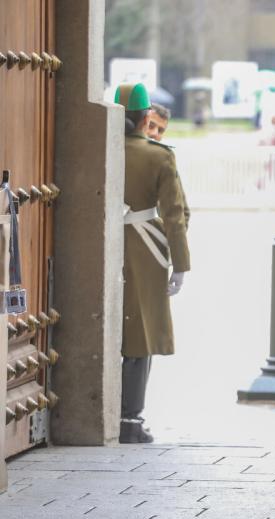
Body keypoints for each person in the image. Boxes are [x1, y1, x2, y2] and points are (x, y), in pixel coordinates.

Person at [115, 83, 191, 444]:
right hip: (144, 250)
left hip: (102, 243)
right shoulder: (159, 156)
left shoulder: (100, 148)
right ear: (146, 117)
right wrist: (181, 264)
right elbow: (174, 215)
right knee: (139, 337)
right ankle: (130, 419)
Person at [146, 103, 191, 229]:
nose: (155, 133)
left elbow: (183, 211)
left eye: (160, 130)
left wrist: (169, 237)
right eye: (151, 126)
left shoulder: (166, 160)